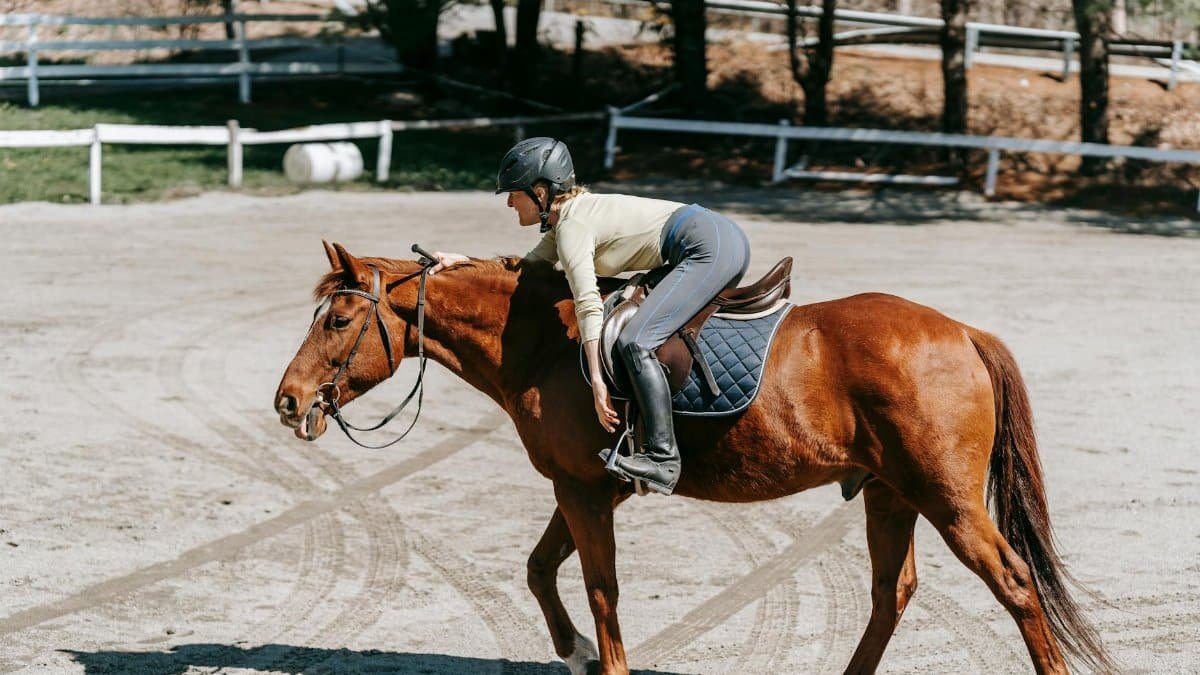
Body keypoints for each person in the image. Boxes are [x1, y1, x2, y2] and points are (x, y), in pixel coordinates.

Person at [430, 137, 750, 495]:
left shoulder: (571, 227)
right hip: (712, 238)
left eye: (513, 194)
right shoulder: (565, 220)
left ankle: (662, 458)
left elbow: (587, 303)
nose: (508, 202)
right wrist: (465, 263)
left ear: (539, 191)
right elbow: (527, 269)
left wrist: (598, 381)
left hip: (707, 248)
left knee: (635, 342)